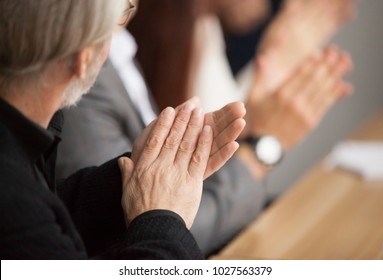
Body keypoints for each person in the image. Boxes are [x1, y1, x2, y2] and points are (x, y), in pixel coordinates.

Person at [57, 0, 353, 256]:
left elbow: (175, 200)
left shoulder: (129, 45)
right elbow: (162, 227)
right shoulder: (86, 66)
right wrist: (262, 146)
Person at [0, 0, 246, 259]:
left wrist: (139, 180)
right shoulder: (15, 205)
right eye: (120, 17)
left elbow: (49, 211)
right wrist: (162, 219)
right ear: (83, 57)